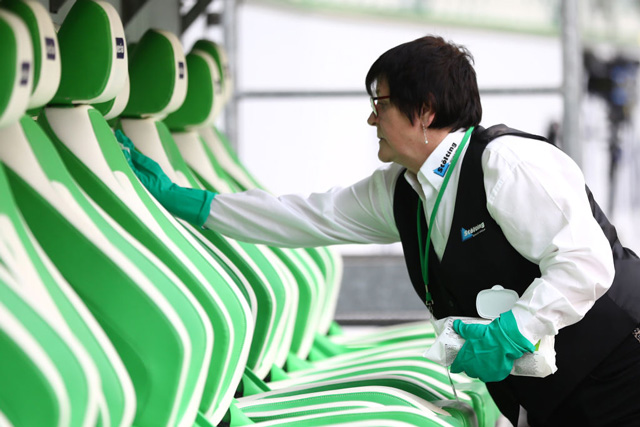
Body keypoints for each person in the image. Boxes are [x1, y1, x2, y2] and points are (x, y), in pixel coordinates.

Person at [118, 35, 640, 427]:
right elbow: (302, 216)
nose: (372, 120)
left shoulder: (506, 163)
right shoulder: (402, 189)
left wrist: (514, 330)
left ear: (425, 111)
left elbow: (585, 264)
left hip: (621, 367)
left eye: (381, 104)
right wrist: (189, 202)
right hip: (555, 394)